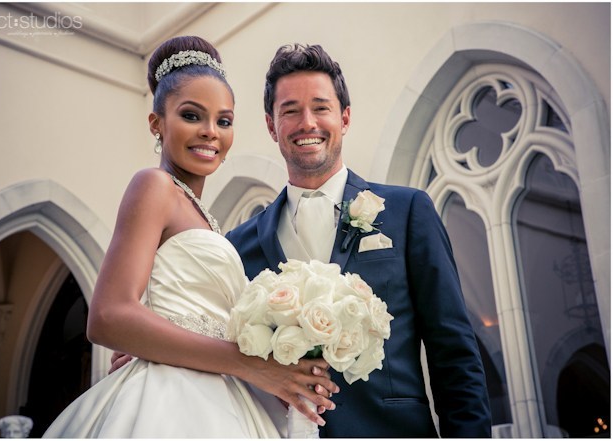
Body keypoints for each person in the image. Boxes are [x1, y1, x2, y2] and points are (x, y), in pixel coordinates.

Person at [43, 36, 338, 438]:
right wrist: (250, 366)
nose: (210, 132)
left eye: (224, 120)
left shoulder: (206, 219)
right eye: (191, 115)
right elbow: (108, 316)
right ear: (156, 123)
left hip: (224, 395)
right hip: (174, 401)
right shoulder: (153, 186)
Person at [223, 44, 492, 437]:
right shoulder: (239, 244)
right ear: (271, 125)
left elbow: (454, 353)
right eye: (290, 111)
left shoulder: (407, 212)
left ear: (344, 117)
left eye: (321, 107)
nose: (307, 123)